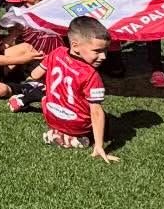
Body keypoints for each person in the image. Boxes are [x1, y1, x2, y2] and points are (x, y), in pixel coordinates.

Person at [36, 17, 119, 161]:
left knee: (43, 96)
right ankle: (75, 138)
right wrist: (99, 146)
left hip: (51, 115)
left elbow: (35, 74)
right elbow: (96, 112)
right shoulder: (91, 74)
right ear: (75, 46)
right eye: (97, 51)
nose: (104, 56)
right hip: (77, 125)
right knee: (106, 122)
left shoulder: (57, 52)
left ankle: (57, 132)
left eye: (106, 50)